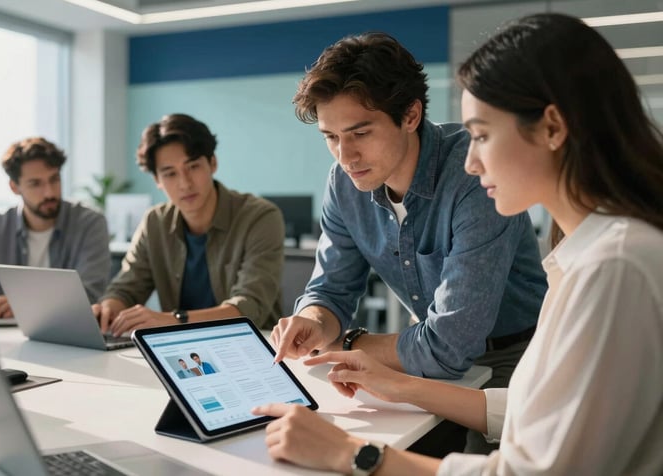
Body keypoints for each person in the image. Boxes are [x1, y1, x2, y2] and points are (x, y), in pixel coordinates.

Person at [254, 13, 663, 475]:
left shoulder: (613, 267)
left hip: (500, 353)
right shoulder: (592, 255)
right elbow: (530, 410)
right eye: (331, 137)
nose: (470, 161)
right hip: (456, 376)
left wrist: (353, 453)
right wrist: (390, 377)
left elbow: (530, 467)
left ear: (552, 128)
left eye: (483, 135)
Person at [271, 30, 547, 453]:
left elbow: (450, 344)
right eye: (331, 137)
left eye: (360, 133)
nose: (345, 157)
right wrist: (313, 320)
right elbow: (331, 289)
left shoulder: (474, 176)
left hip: (516, 361)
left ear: (411, 115)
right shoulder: (344, 186)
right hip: (423, 360)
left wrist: (346, 343)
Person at [93, 113, 284, 336]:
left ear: (212, 163)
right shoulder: (155, 222)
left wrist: (171, 320)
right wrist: (107, 310)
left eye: (193, 167)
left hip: (253, 346)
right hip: (179, 348)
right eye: (170, 173)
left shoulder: (260, 217)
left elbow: (249, 308)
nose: (185, 183)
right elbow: (127, 288)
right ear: (157, 180)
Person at [0, 137, 111, 319]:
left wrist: (23, 304)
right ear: (14, 187)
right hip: (9, 333)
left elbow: (89, 293)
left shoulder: (90, 223)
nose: (49, 192)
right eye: (35, 184)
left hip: (69, 329)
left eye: (54, 179)